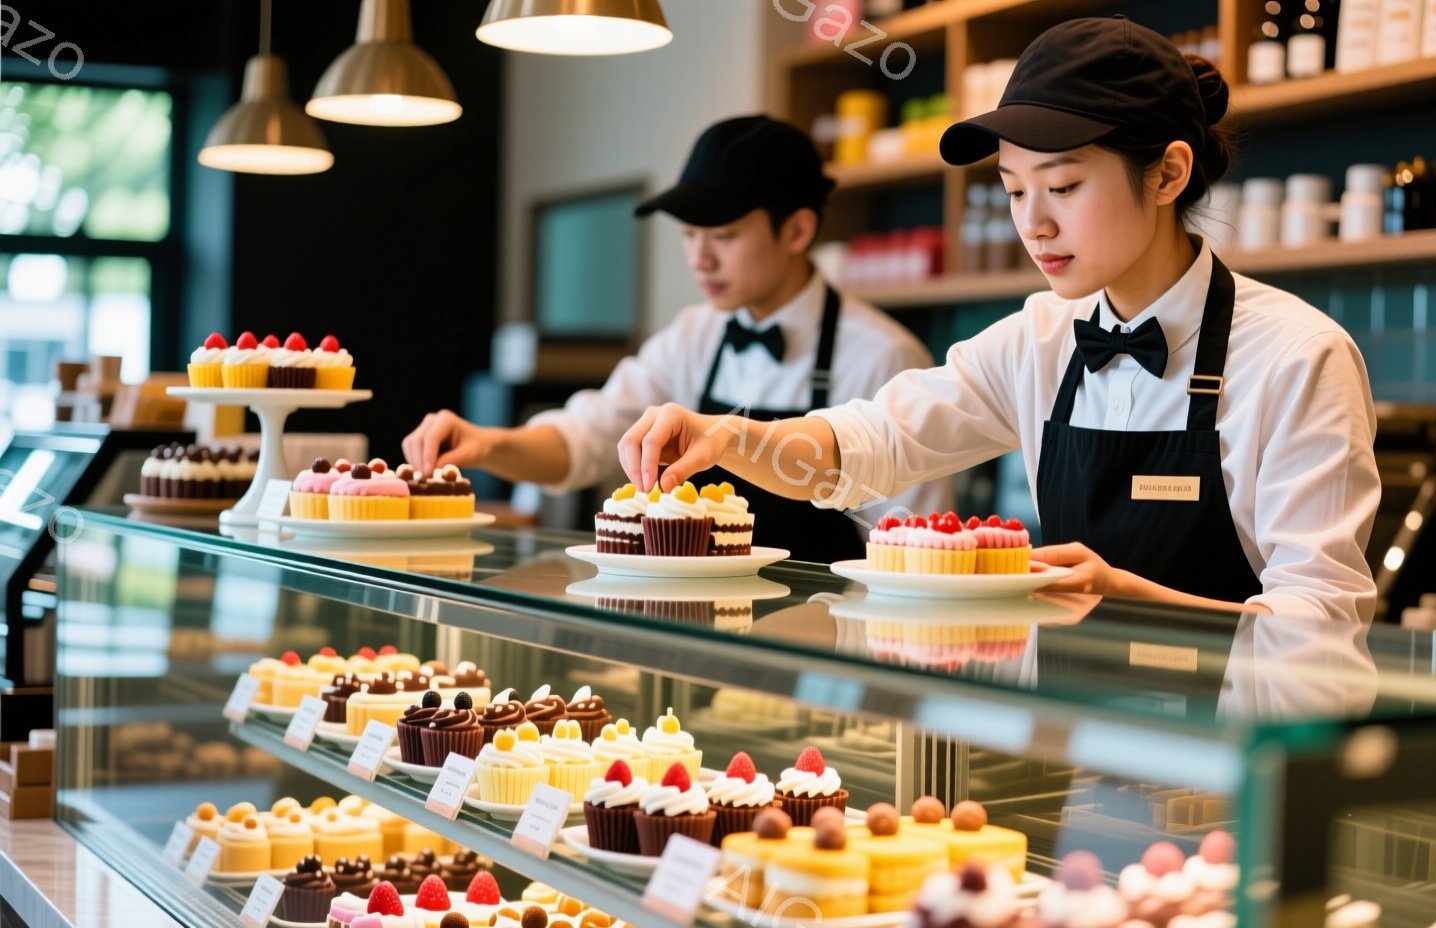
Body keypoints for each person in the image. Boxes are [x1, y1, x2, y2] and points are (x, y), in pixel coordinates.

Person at [615, 18, 1381, 622]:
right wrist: (729, 435)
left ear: (1169, 173)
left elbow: (1321, 625)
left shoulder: (1296, 356)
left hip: (1241, 775)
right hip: (1076, 758)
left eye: (1065, 186)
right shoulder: (1039, 337)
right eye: (1015, 192)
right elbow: (874, 443)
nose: (1034, 225)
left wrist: (1131, 596)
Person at [404, 115, 950, 562]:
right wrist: (488, 444)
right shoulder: (694, 334)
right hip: (695, 631)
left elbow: (912, 546)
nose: (699, 258)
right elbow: (588, 437)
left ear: (798, 231)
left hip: (824, 654)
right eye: (689, 235)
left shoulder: (883, 355)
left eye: (724, 235)